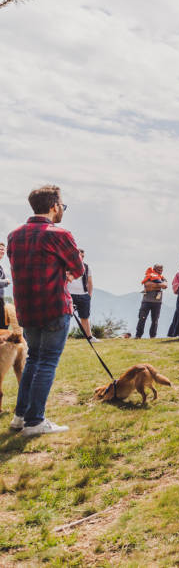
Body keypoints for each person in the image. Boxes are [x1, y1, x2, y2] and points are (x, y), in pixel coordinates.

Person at [7, 185, 84, 436]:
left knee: (34, 360)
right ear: (53, 206)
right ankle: (35, 421)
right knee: (47, 362)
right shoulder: (59, 234)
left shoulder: (14, 235)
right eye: (61, 205)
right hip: (53, 306)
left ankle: (20, 417)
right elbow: (78, 267)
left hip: (26, 309)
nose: (62, 209)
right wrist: (64, 274)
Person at [68, 248, 93, 339]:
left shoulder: (87, 267)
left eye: (83, 256)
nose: (81, 258)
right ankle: (64, 338)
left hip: (84, 295)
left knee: (85, 317)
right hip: (70, 295)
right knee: (66, 317)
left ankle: (89, 337)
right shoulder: (67, 265)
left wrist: (89, 295)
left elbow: (90, 282)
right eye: (80, 256)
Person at [136, 265, 167, 339]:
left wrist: (153, 286)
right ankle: (138, 335)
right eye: (158, 270)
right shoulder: (149, 275)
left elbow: (165, 285)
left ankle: (152, 336)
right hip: (146, 301)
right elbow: (147, 285)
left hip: (157, 302)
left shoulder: (162, 278)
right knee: (142, 318)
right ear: (154, 269)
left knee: (155, 320)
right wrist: (159, 286)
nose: (160, 271)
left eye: (161, 270)